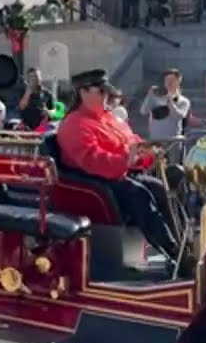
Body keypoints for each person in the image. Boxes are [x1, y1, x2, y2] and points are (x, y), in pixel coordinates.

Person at [55, 69, 181, 266]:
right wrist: (127, 159)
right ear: (84, 92)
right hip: (95, 180)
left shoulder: (109, 118)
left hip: (119, 174)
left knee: (158, 187)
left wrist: (147, 152)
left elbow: (132, 140)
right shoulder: (73, 124)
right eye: (102, 92)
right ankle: (170, 249)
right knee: (139, 193)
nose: (107, 97)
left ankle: (180, 244)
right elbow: (93, 160)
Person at [140, 69, 192, 143]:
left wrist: (169, 100)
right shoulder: (155, 98)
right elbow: (143, 111)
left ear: (178, 81)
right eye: (166, 80)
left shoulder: (183, 101)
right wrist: (149, 95)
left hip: (173, 141)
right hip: (156, 139)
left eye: (172, 80)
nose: (169, 83)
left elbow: (178, 116)